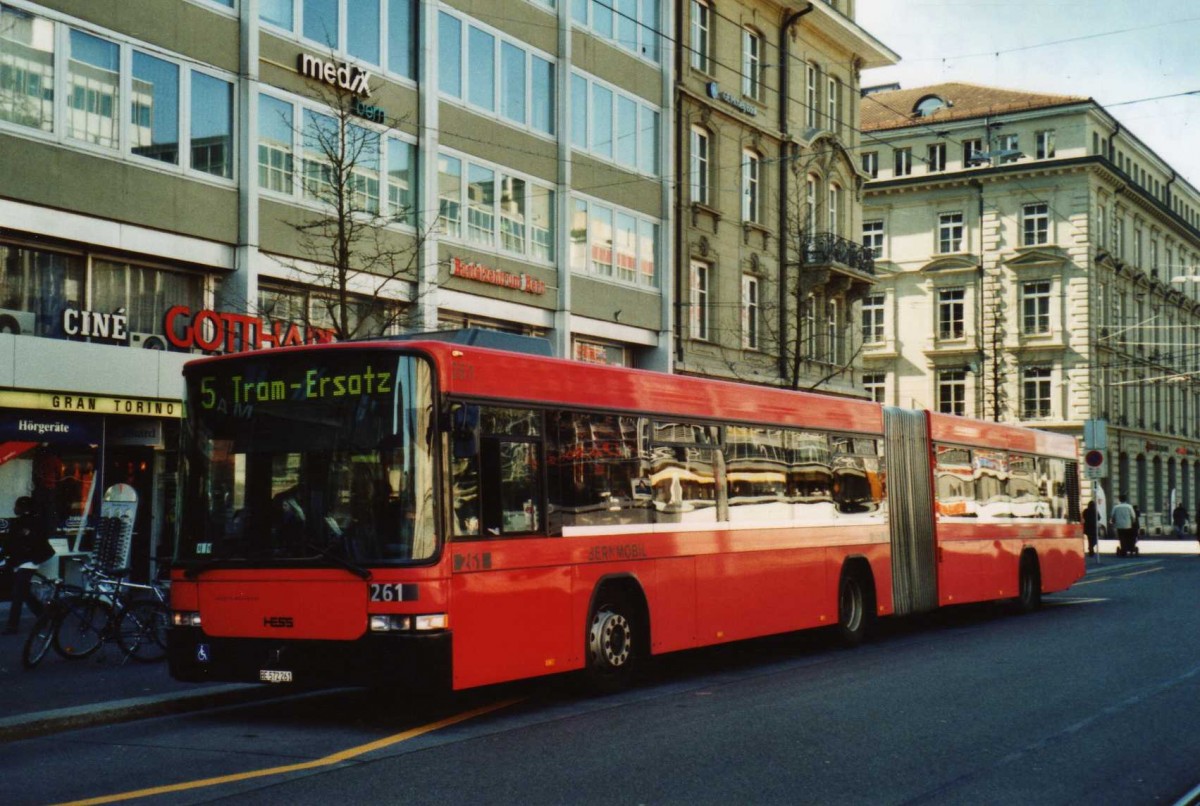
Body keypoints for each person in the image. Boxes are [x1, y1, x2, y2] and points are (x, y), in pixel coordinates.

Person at [3, 497, 54, 634]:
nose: (14, 508)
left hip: (27, 562)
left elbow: (18, 543)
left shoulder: (27, 523)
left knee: (18, 594)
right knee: (24, 593)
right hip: (25, 561)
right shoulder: (28, 522)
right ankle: (44, 616)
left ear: (23, 508)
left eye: (17, 506)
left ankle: (12, 626)